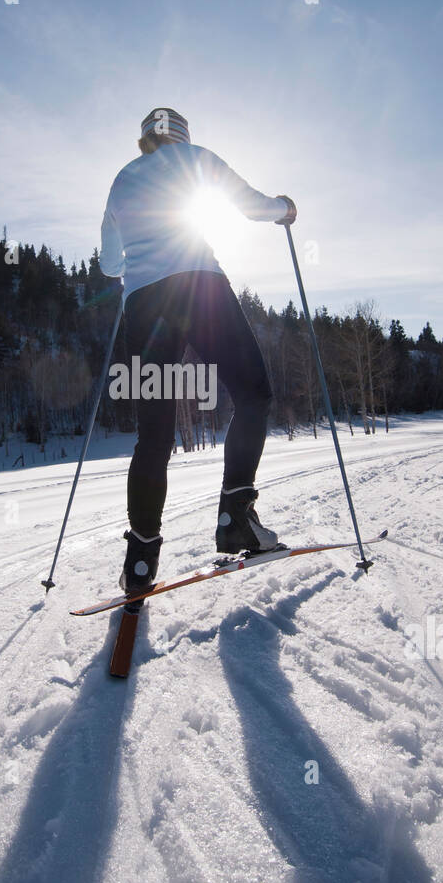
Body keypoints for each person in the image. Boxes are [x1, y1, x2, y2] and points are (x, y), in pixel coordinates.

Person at [100, 107, 297, 595]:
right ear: (182, 135)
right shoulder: (195, 159)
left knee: (155, 435)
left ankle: (141, 560)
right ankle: (235, 518)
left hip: (146, 305)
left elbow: (108, 264)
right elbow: (249, 205)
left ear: (145, 139)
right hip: (200, 289)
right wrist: (284, 209)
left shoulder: (121, 181)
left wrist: (135, 257)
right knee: (252, 395)